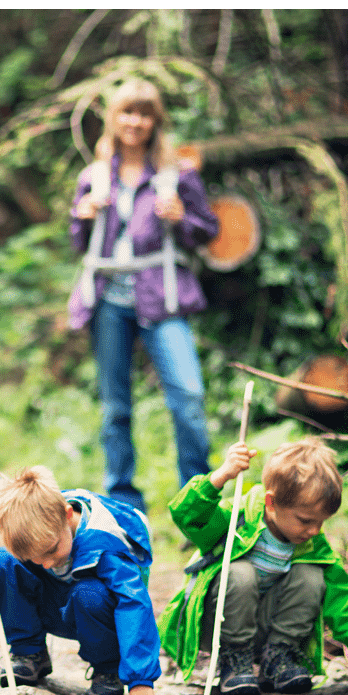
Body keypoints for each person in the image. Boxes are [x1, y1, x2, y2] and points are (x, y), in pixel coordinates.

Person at [0, 413, 160, 695]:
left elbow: (134, 604)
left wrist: (140, 680)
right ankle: (29, 652)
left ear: (68, 515)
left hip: (96, 614)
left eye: (52, 550)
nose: (47, 563)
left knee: (89, 593)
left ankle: (107, 671)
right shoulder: (36, 522)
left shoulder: (105, 545)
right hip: (55, 605)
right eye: (36, 557)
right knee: (2, 562)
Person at [68, 79, 221, 513]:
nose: (135, 121)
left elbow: (206, 231)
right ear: (113, 119)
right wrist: (81, 216)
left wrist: (182, 217)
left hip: (162, 296)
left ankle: (196, 500)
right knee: (115, 406)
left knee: (189, 396)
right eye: (126, 112)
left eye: (144, 113)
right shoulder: (94, 176)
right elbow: (81, 243)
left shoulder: (178, 175)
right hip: (108, 301)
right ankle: (122, 501)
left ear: (155, 121)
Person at [158, 437, 348, 695]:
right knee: (241, 573)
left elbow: (341, 598)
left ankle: (278, 658)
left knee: (312, 576)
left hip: (270, 627)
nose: (314, 530)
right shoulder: (238, 518)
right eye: (305, 520)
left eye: (320, 522)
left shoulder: (311, 543)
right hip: (223, 623)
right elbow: (186, 515)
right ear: (271, 503)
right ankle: (235, 662)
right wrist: (221, 476)